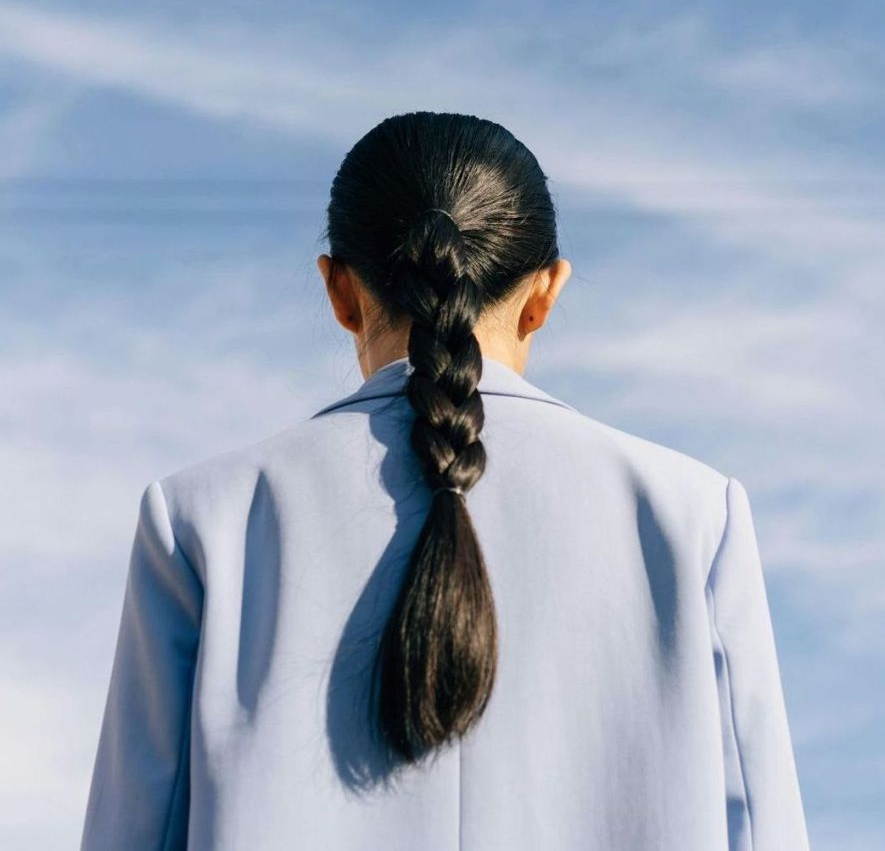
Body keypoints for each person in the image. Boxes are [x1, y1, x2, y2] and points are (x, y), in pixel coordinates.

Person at [80, 111, 810, 850]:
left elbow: (132, 830)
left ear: (339, 292)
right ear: (544, 294)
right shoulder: (692, 515)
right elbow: (760, 825)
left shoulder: (203, 517)